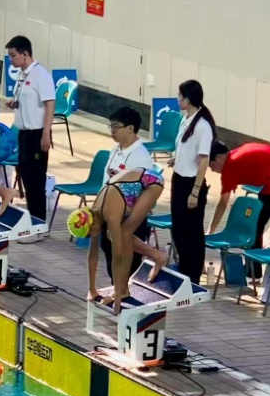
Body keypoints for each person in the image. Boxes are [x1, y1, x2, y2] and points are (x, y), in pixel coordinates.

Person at [85, 168, 166, 312]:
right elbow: (92, 255)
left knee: (124, 234)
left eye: (89, 234)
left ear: (91, 226)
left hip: (151, 182)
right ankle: (158, 256)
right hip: (134, 180)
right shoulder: (92, 216)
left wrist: (118, 297)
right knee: (115, 235)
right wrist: (92, 290)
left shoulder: (109, 215)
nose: (90, 237)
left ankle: (124, 289)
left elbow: (118, 258)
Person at [208, 142, 270, 262]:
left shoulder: (230, 166)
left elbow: (222, 203)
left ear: (220, 157)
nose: (213, 170)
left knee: (256, 226)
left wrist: (210, 231)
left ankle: (255, 268)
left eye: (212, 165)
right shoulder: (235, 154)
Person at [5, 36, 55, 236]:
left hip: (37, 134)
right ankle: (33, 222)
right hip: (24, 134)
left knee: (36, 182)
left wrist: (46, 133)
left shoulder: (41, 75)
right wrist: (15, 104)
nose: (10, 60)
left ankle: (40, 226)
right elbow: (27, 100)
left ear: (25, 54)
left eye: (13, 55)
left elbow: (50, 104)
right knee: (26, 179)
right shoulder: (22, 74)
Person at [170, 80, 216, 284]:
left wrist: (195, 192)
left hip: (191, 183)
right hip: (178, 178)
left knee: (192, 232)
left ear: (188, 99)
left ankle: (193, 276)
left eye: (179, 96)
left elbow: (203, 160)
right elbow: (185, 148)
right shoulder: (185, 118)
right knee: (179, 229)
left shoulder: (203, 125)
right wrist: (177, 159)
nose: (177, 99)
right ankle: (183, 270)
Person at [102, 106, 155, 280]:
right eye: (111, 126)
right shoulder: (115, 150)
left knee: (127, 265)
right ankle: (117, 290)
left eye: (116, 127)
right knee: (110, 257)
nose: (112, 131)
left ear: (130, 128)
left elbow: (144, 193)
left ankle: (125, 293)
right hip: (110, 213)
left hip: (129, 218)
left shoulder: (141, 157)